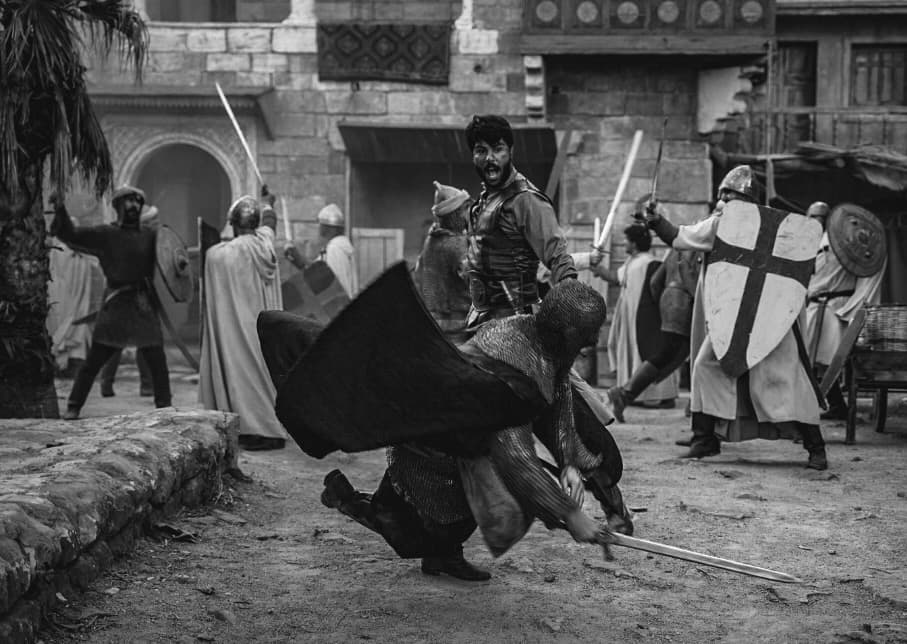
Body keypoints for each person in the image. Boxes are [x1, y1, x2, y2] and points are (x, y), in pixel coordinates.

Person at [260, 275, 618, 580]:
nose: (593, 342)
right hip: (433, 440)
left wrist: (568, 460)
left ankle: (443, 556)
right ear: (568, 333)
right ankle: (346, 499)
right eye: (588, 334)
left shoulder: (539, 339)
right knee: (420, 522)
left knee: (467, 510)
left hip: (467, 438)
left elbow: (558, 391)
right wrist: (570, 515)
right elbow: (518, 463)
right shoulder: (512, 372)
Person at [462, 114, 632, 530]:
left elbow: (559, 260)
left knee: (566, 424)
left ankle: (615, 509)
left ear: (510, 150)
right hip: (482, 336)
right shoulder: (480, 203)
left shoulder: (527, 202)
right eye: (481, 150)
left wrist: (568, 312)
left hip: (524, 341)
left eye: (497, 149)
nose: (489, 158)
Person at [641, 165, 828, 470]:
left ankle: (815, 446)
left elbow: (679, 237)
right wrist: (657, 221)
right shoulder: (725, 224)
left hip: (769, 318)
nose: (725, 201)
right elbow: (680, 237)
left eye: (728, 195)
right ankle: (705, 439)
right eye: (724, 197)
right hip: (735, 320)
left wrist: (657, 221)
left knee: (785, 378)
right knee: (707, 366)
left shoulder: (761, 226)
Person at [50, 186, 172, 420]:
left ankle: (165, 407)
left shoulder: (151, 235)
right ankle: (74, 405)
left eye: (137, 201)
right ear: (117, 207)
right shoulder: (105, 234)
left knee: (157, 360)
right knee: (94, 360)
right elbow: (72, 235)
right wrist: (60, 210)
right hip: (116, 304)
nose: (134, 206)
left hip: (142, 303)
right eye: (128, 201)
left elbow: (172, 257)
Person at [199, 188, 287, 451]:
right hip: (263, 328)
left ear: (234, 224)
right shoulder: (266, 247)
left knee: (242, 373)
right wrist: (268, 204)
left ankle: (257, 429)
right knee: (264, 373)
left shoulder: (219, 255)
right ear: (256, 224)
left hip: (236, 329)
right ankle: (269, 426)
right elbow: (270, 225)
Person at [804, 201, 886, 420]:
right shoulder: (806, 245)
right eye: (813, 216)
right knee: (809, 361)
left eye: (821, 217)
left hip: (834, 308)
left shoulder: (843, 243)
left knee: (830, 361)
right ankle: (834, 405)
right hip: (813, 307)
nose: (817, 221)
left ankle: (831, 406)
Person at [591, 221, 678, 414]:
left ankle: (659, 397)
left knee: (649, 350)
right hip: (632, 316)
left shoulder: (651, 263)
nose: (624, 244)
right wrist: (595, 268)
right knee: (638, 351)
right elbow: (616, 278)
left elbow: (657, 292)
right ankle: (639, 394)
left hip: (647, 318)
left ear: (635, 243)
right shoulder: (633, 263)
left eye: (627, 241)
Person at [98, 204, 160, 397]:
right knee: (117, 341)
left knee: (144, 341)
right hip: (123, 296)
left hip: (139, 295)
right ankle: (107, 384)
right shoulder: (131, 241)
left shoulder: (146, 239)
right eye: (153, 221)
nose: (157, 224)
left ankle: (146, 385)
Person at [412, 181, 472, 344]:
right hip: (457, 332)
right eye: (465, 210)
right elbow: (475, 282)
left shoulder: (430, 241)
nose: (468, 215)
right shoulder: (456, 244)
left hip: (431, 327)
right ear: (455, 214)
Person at [46, 213, 99, 377]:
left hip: (77, 294)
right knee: (58, 321)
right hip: (59, 291)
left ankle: (73, 365)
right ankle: (57, 363)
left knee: (76, 324)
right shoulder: (55, 246)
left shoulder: (79, 248)